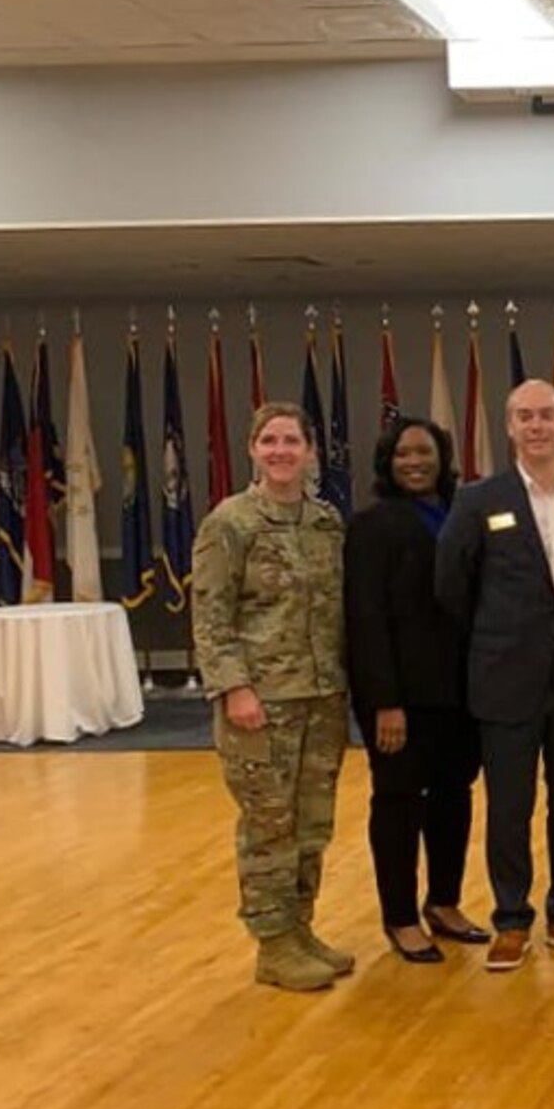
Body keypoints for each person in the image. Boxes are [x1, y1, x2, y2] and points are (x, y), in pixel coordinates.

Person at [436, 379, 554, 973]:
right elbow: (451, 588)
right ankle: (511, 920)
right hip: (504, 678)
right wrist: (508, 632)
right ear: (510, 427)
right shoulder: (477, 500)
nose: (537, 426)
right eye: (524, 417)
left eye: (547, 415)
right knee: (510, 807)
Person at [192, 402, 350, 993]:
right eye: (270, 441)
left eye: (292, 441)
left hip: (321, 696)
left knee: (312, 822)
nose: (282, 451)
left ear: (311, 451)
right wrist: (235, 687)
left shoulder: (326, 522)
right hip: (260, 701)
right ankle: (272, 944)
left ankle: (300, 927)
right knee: (268, 824)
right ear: (253, 450)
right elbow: (209, 615)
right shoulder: (230, 523)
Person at [343, 416, 487, 964]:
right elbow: (366, 618)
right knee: (399, 801)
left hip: (463, 690)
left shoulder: (462, 514)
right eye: (401, 454)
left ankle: (444, 902)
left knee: (454, 796)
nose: (413, 462)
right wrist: (385, 701)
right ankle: (400, 917)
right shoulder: (372, 525)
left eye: (424, 452)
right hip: (400, 697)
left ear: (442, 456)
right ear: (386, 460)